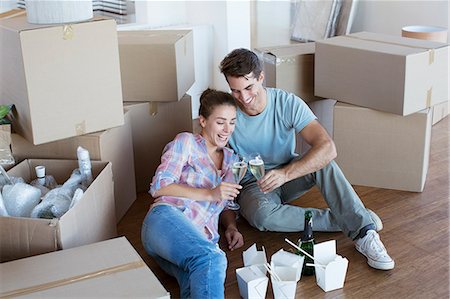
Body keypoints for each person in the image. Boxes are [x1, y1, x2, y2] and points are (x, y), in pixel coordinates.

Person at [219, 48, 395, 271]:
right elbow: (218, 173)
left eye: (248, 87)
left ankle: (364, 233)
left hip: (288, 173)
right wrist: (230, 224)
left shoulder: (286, 103)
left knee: (324, 161)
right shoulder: (226, 112)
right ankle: (351, 218)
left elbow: (328, 147)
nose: (243, 98)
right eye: (235, 91)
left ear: (261, 77)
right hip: (254, 185)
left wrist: (285, 174)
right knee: (262, 218)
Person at [141, 88, 245, 298]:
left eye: (232, 122)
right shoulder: (186, 142)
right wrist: (210, 194)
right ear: (203, 121)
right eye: (220, 122)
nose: (227, 129)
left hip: (201, 239)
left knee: (196, 281)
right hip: (166, 220)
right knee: (213, 259)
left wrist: (231, 226)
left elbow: (226, 203)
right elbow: (159, 187)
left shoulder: (232, 159)